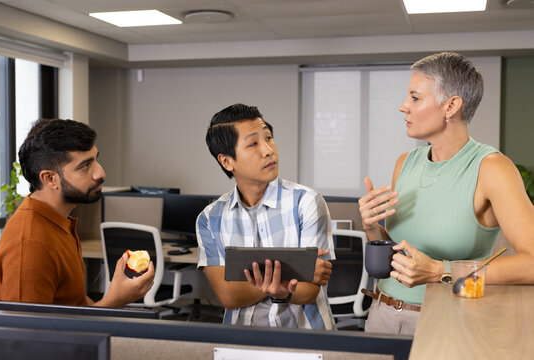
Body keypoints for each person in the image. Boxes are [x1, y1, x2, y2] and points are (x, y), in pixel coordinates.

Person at [359, 52, 534, 335]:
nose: (403, 106)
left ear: (451, 106)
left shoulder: (492, 168)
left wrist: (442, 270)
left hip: (447, 322)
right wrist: (371, 229)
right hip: (383, 314)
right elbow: (400, 252)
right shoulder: (405, 163)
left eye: (415, 98)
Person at [196, 103, 336, 330]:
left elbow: (311, 289)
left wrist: (254, 284)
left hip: (306, 339)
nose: (268, 149)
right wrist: (290, 277)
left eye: (268, 138)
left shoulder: (307, 202)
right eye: (253, 143)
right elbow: (228, 296)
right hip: (242, 343)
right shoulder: (210, 218)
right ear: (227, 161)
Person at [0, 118, 154, 307]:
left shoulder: (58, 221)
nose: (100, 173)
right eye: (85, 165)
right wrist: (115, 301)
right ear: (50, 178)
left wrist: (110, 301)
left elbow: (73, 304)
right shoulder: (30, 244)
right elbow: (30, 334)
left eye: (96, 159)